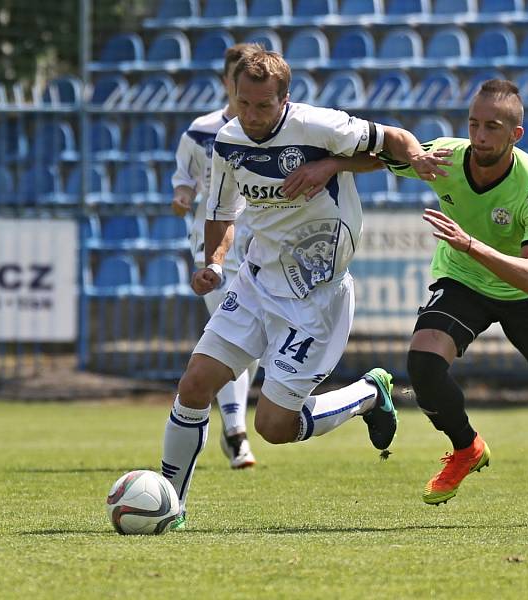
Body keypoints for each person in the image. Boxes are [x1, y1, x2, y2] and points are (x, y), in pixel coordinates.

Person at [160, 50, 438, 530]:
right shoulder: (227, 142)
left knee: (273, 428)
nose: (251, 115)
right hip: (255, 281)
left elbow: (393, 140)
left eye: (262, 106)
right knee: (194, 385)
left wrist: (332, 165)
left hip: (316, 296)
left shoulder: (319, 125)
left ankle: (369, 393)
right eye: (243, 103)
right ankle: (171, 506)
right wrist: (214, 262)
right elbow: (222, 215)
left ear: (284, 100)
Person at [379, 79, 528, 524]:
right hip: (466, 281)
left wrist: (470, 244)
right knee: (423, 362)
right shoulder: (446, 158)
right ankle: (465, 447)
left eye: (492, 126)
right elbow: (381, 150)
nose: (479, 135)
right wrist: (329, 165)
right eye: (473, 123)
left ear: (516, 134)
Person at [168, 43, 261, 470]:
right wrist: (183, 196)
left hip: (261, 239)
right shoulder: (202, 131)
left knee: (252, 340)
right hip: (213, 237)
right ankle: (237, 432)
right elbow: (184, 179)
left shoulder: (273, 130)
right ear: (227, 81)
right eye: (234, 78)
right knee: (230, 326)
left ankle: (233, 425)